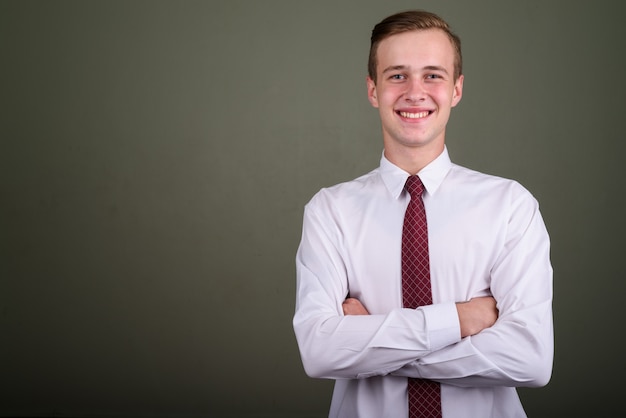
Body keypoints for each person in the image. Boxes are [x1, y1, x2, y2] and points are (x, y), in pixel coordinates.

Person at [293, 9, 553, 418]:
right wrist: (459, 320)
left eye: (433, 75)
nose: (415, 92)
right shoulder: (330, 211)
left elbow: (530, 360)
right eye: (397, 75)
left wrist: (372, 344)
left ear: (456, 89)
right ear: (373, 90)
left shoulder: (510, 206)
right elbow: (320, 352)